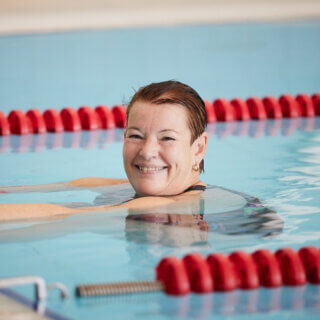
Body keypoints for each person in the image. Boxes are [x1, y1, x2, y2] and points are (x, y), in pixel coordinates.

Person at [0, 80, 209, 221]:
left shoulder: (170, 204)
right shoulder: (171, 188)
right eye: (135, 136)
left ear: (198, 148)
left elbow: (67, 214)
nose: (147, 152)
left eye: (167, 138)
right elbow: (83, 184)